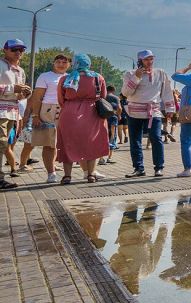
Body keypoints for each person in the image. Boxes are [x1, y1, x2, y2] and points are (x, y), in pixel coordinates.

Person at [56, 54, 109, 184]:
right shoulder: (98, 77)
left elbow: (60, 99)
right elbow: (103, 96)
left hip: (69, 113)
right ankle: (90, 174)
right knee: (92, 143)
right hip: (92, 114)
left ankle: (67, 176)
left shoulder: (65, 79)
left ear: (74, 63)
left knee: (67, 144)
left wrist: (71, 105)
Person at [121, 49, 175, 177]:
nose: (149, 62)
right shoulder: (130, 74)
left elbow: (167, 91)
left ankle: (159, 167)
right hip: (134, 111)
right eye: (146, 59)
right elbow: (125, 93)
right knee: (135, 140)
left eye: (151, 59)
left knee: (156, 137)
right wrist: (136, 77)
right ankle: (139, 168)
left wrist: (170, 109)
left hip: (153, 111)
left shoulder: (160, 73)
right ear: (139, 61)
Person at [25, 53, 70, 182]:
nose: (61, 65)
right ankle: (51, 173)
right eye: (58, 62)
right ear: (53, 63)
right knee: (49, 144)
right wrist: (35, 115)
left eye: (64, 62)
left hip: (65, 110)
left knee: (63, 143)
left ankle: (75, 171)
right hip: (48, 110)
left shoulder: (70, 77)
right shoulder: (45, 76)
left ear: (69, 64)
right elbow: (37, 97)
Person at [0, 39, 31, 190]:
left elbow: (19, 95)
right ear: (5, 50)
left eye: (21, 50)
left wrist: (25, 93)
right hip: (1, 110)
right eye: (14, 49)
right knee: (1, 144)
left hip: (12, 111)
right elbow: (13, 89)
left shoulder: (21, 71)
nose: (18, 52)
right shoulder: (1, 65)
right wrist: (14, 88)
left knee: (4, 144)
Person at [99, 84, 121, 166]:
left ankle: (101, 158)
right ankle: (109, 158)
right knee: (112, 137)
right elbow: (119, 108)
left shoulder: (102, 97)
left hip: (103, 119)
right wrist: (119, 115)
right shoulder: (115, 98)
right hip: (113, 118)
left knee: (103, 138)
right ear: (113, 90)